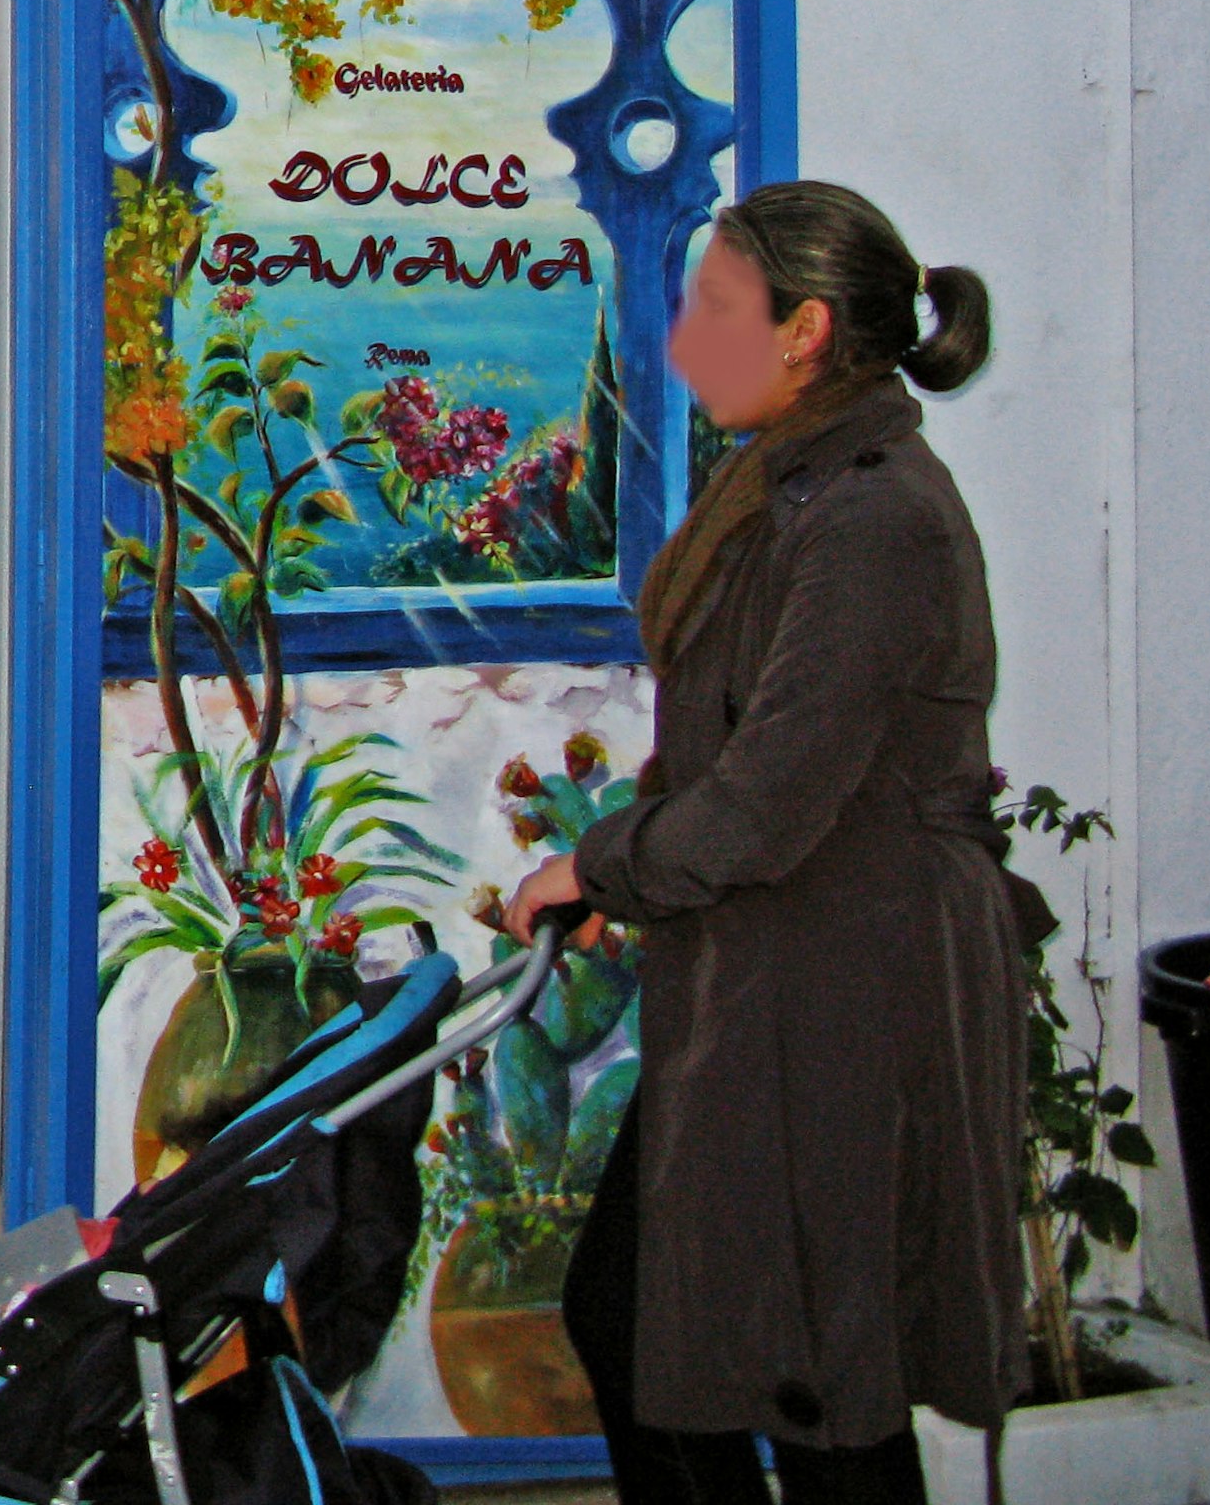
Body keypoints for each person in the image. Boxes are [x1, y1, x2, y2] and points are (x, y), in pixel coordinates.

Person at [504, 183, 1018, 1505]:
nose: (680, 346)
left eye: (716, 310)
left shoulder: (873, 517)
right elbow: (736, 736)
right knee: (674, 1337)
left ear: (805, 332)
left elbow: (774, 792)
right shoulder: (789, 482)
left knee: (812, 1380)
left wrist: (601, 862)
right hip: (766, 970)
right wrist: (643, 866)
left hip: (844, 996)